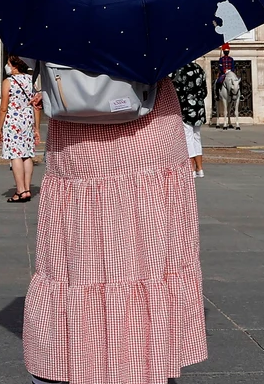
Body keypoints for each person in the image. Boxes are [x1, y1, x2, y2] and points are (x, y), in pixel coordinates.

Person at [24, 79, 206, 384]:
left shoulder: (54, 29)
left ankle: (70, 357)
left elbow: (30, 55)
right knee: (150, 254)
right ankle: (147, 357)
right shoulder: (160, 28)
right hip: (150, 127)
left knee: (77, 258)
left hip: (76, 126)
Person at [0, 56, 41, 202]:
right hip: (28, 120)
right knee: (27, 155)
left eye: (9, 64)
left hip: (13, 121)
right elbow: (37, 106)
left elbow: (4, 107)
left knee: (15, 155)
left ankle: (20, 190)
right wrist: (37, 127)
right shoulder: (31, 80)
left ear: (14, 66)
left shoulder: (8, 82)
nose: (7, 66)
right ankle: (27, 189)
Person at [172, 59, 209, 177]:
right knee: (197, 137)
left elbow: (177, 90)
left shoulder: (179, 70)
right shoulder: (199, 68)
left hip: (186, 108)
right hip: (199, 108)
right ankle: (200, 168)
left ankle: (191, 168)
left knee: (187, 137)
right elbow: (204, 91)